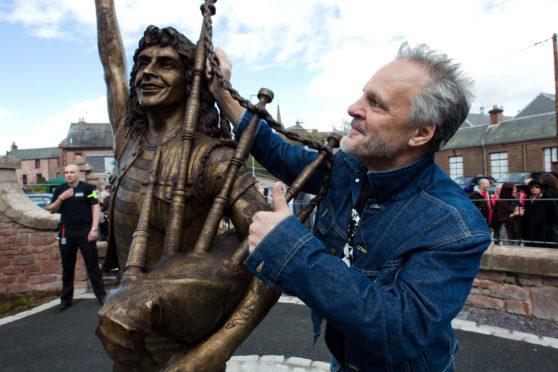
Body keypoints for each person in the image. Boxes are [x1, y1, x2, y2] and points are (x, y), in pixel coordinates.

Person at [208, 43, 491, 371]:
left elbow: (401, 330)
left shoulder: (455, 225)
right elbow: (281, 155)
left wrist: (291, 251)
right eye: (363, 95)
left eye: (376, 103)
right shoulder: (348, 166)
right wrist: (221, 91)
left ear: (421, 132)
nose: (353, 108)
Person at [94, 1, 278, 370]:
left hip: (183, 340)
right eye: (143, 63)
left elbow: (275, 251)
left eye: (166, 64)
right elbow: (112, 64)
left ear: (192, 80)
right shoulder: (128, 139)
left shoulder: (211, 159)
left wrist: (217, 348)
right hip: (124, 336)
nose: (147, 72)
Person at [47, 164, 106, 312]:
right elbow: (51, 210)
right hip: (67, 231)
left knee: (92, 265)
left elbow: (95, 208)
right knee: (67, 267)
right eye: (66, 172)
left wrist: (93, 229)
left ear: (78, 174)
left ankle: (101, 296)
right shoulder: (60, 189)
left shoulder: (88, 189)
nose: (69, 175)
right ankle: (66, 300)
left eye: (72, 172)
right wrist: (61, 198)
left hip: (85, 230)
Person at [523, 179, 557, 247]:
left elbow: (553, 214)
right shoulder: (527, 199)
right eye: (531, 187)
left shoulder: (547, 198)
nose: (534, 188)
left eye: (537, 186)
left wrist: (548, 227)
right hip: (530, 231)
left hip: (544, 231)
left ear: (540, 188)